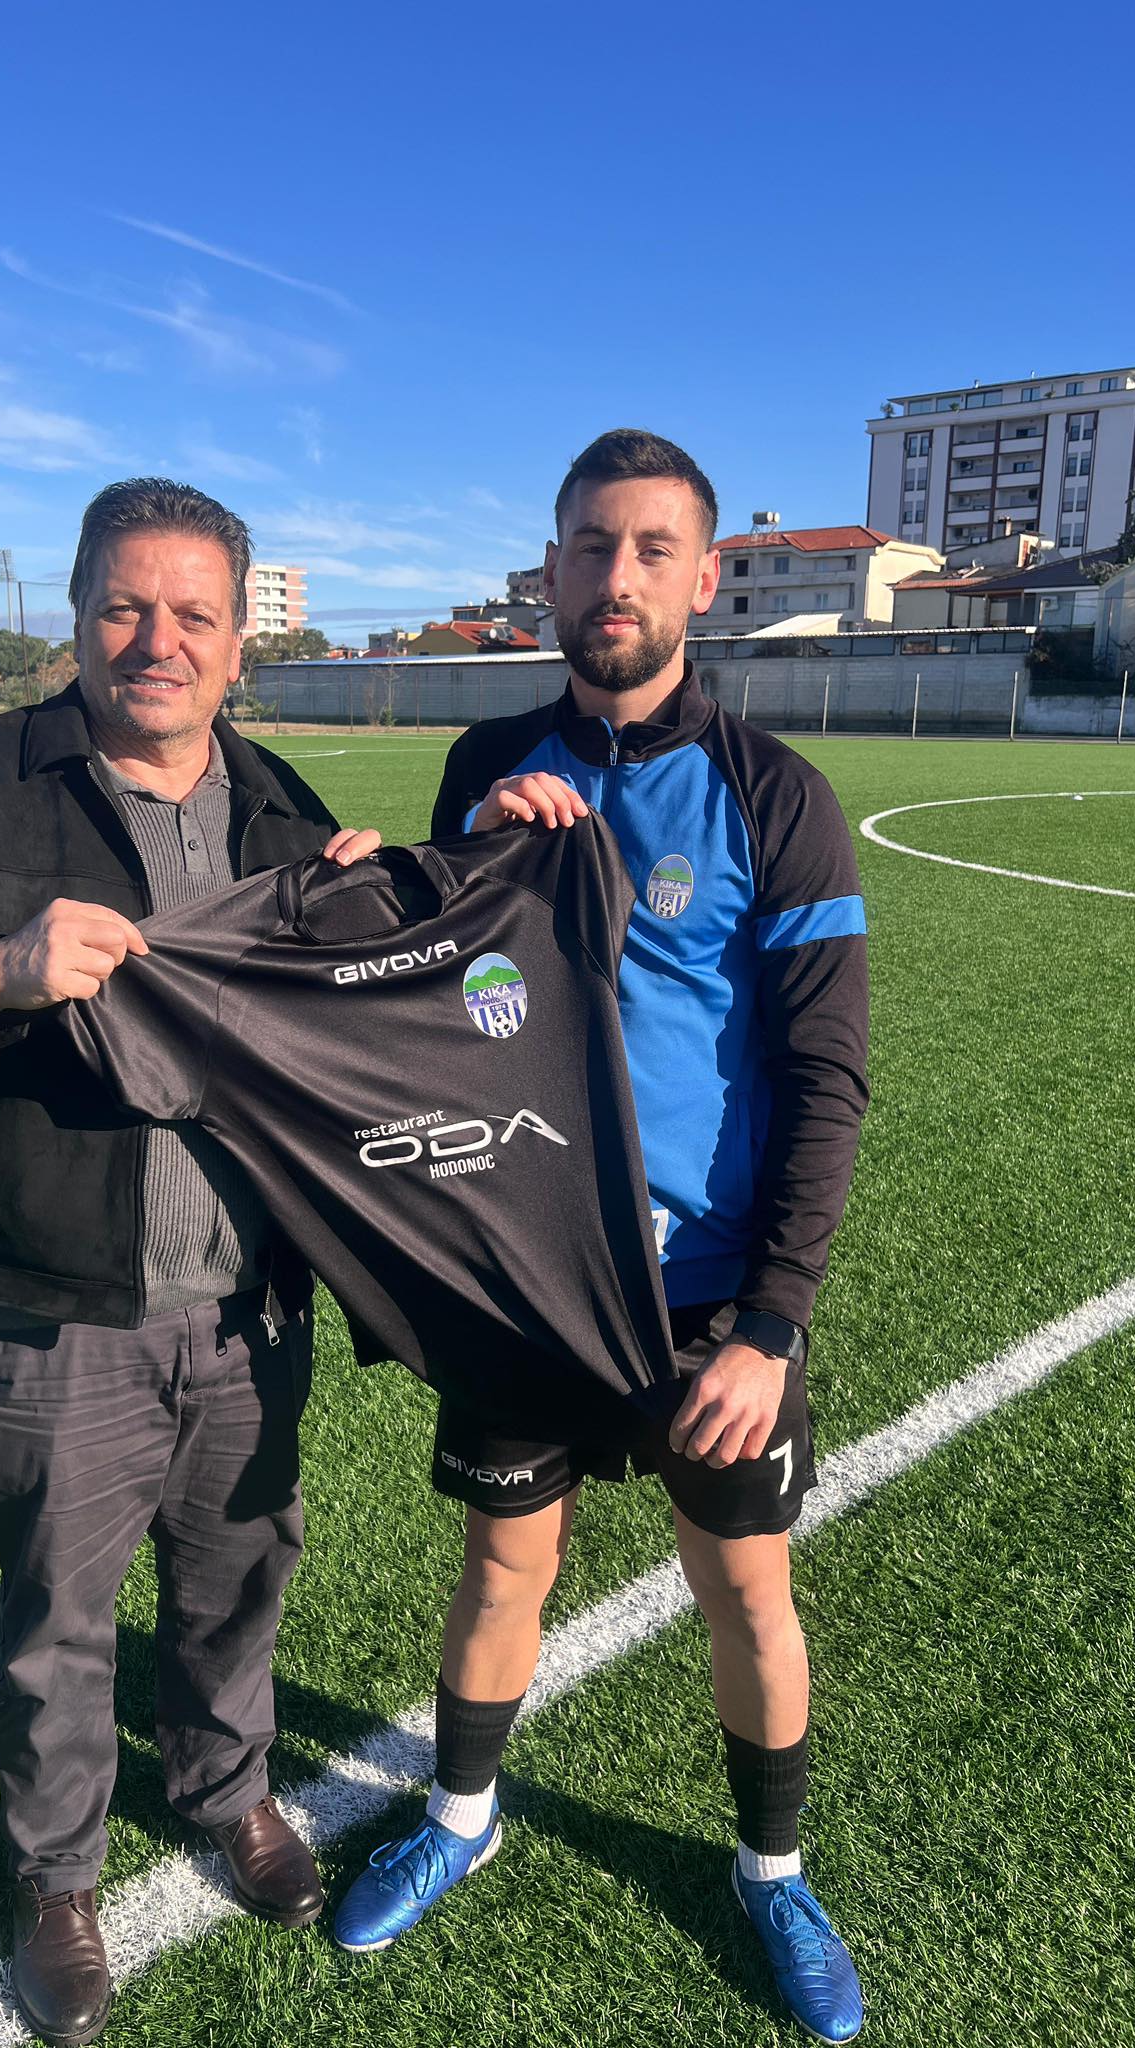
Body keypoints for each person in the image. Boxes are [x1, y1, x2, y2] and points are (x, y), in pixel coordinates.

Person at [0, 478, 380, 2048]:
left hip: (253, 1306)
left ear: (238, 644)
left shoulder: (281, 810)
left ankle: (227, 1789)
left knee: (239, 1580)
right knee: (59, 1615)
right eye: (125, 606)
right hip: (55, 1309)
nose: (156, 641)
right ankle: (57, 1878)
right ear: (77, 613)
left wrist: (376, 914)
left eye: (193, 615)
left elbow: (357, 1044)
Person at [333, 431, 871, 2044]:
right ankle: (460, 1816)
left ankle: (773, 1870)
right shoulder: (485, 760)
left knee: (746, 1592)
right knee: (506, 1562)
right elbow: (440, 1005)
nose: (615, 576)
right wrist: (466, 858)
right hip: (525, 1268)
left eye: (650, 549)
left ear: (704, 579)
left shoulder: (776, 795)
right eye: (588, 545)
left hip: (706, 1296)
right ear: (550, 569)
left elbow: (827, 1075)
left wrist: (772, 1323)